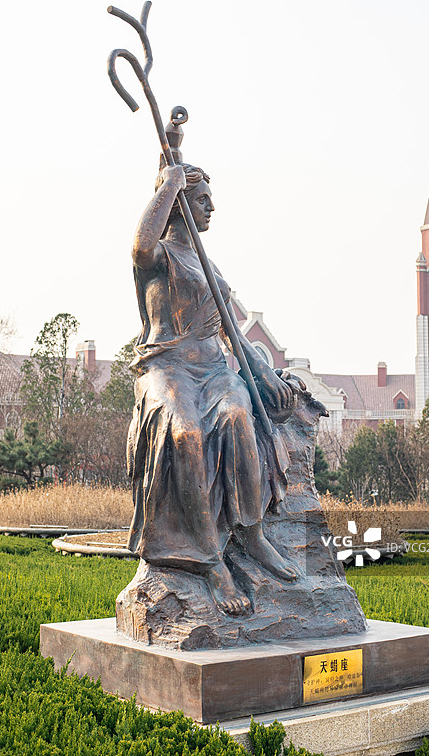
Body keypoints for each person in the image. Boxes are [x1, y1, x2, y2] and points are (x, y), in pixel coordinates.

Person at [127, 162, 299, 616]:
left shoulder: (210, 267)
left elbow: (234, 336)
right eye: (202, 199)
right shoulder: (158, 255)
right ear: (179, 204)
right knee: (184, 432)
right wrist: (169, 182)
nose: (212, 208)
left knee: (238, 416)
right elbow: (140, 245)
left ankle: (252, 533)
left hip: (213, 369)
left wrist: (265, 373)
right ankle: (209, 562)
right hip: (168, 367)